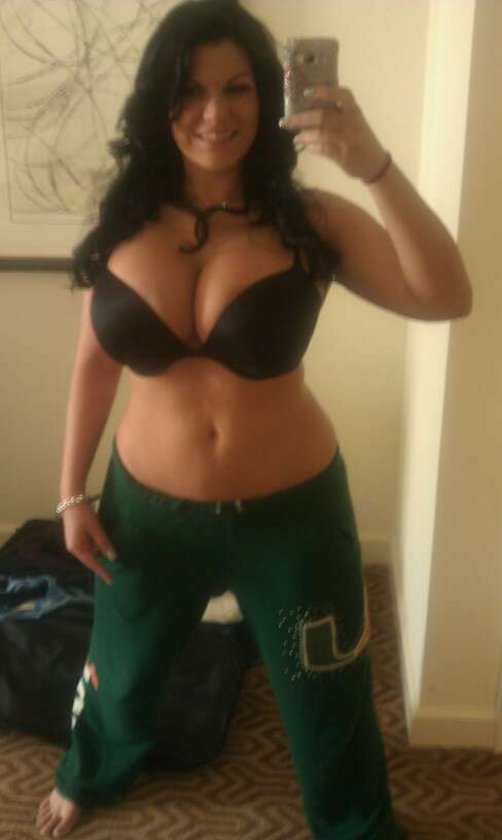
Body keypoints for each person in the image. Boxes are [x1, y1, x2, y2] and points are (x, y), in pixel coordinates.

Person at [36, 0, 472, 837]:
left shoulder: (310, 223)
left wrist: (374, 166)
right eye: (191, 91)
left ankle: (355, 825)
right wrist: (71, 494)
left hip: (292, 517)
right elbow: (94, 362)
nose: (214, 113)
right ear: (160, 103)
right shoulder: (121, 223)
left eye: (236, 88)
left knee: (327, 690)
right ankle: (90, 772)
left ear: (269, 97)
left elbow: (445, 294)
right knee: (121, 667)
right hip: (147, 513)